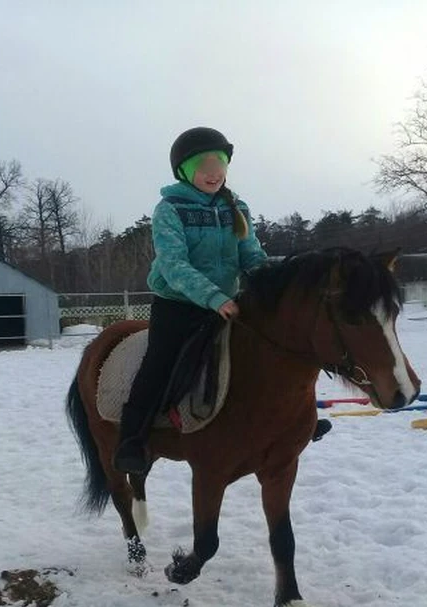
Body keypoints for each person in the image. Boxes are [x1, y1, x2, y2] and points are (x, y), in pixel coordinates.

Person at [113, 127, 330, 475]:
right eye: (204, 165)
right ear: (185, 171)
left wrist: (273, 288)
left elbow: (251, 255)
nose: (214, 171)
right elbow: (173, 265)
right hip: (179, 303)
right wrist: (213, 297)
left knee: (271, 351)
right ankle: (133, 439)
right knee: (159, 363)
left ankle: (294, 422)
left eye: (221, 163)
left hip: (229, 301)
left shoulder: (235, 206)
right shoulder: (169, 209)